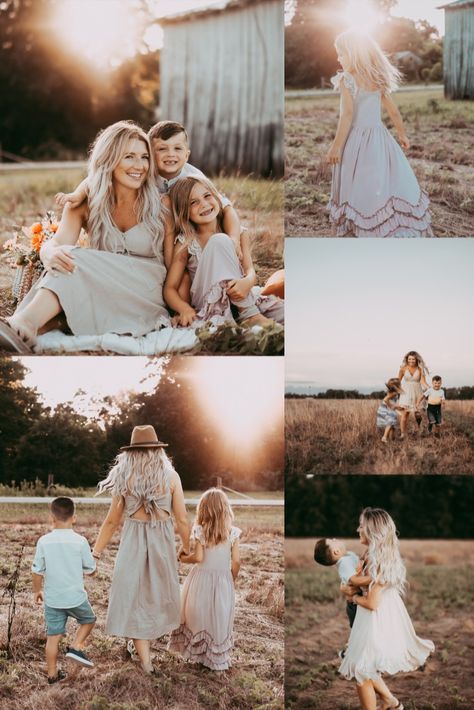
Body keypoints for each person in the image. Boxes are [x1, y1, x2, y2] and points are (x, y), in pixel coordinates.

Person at [0, 121, 169, 353]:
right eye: (129, 156)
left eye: (144, 157)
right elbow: (60, 243)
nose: (139, 165)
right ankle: (27, 331)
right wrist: (48, 251)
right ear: (109, 159)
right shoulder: (86, 201)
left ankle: (23, 322)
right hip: (105, 288)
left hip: (149, 290)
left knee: (73, 259)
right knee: (63, 258)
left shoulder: (161, 200)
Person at [55, 120, 243, 262]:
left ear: (187, 154)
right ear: (151, 154)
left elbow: (225, 207)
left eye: (178, 149)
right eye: (162, 149)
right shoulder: (144, 172)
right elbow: (95, 178)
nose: (171, 154)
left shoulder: (195, 178)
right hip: (165, 231)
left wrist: (233, 237)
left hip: (191, 228)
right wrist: (78, 194)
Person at [92, 425, 190, 675]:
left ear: (131, 452)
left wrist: (96, 552)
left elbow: (112, 521)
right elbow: (182, 519)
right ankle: (144, 657)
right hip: (162, 544)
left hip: (133, 544)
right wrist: (188, 548)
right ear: (158, 450)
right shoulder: (171, 477)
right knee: (156, 596)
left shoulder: (125, 476)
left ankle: (144, 659)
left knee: (133, 597)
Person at [326, 29, 432, 238]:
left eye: (341, 53)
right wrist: (402, 134)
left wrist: (336, 145)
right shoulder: (376, 78)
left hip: (356, 139)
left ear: (353, 53)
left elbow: (347, 115)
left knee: (357, 179)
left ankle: (362, 220)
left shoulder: (347, 79)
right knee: (380, 179)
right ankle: (378, 216)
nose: (338, 58)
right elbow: (393, 111)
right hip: (379, 138)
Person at [339, 508, 434, 710]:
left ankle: (388, 703)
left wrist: (354, 597)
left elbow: (372, 603)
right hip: (373, 617)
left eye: (362, 526)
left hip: (376, 619)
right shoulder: (371, 555)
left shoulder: (379, 561)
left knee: (362, 669)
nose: (358, 529)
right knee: (362, 667)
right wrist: (350, 587)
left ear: (373, 531)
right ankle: (391, 702)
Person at [164, 176, 285, 327]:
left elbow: (250, 271)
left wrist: (246, 283)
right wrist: (185, 309)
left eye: (207, 196)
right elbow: (169, 289)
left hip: (240, 296)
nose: (204, 204)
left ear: (216, 197)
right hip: (209, 304)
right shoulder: (187, 242)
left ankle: (247, 314)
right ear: (184, 212)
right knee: (219, 241)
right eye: (193, 203)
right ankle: (250, 316)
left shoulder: (239, 234)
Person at [168, 488, 241, 670]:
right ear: (225, 509)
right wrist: (230, 578)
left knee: (198, 613)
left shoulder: (200, 531)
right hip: (223, 580)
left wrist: (184, 558)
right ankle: (216, 658)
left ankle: (200, 654)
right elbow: (237, 561)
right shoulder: (232, 533)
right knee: (218, 616)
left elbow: (199, 558)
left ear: (204, 510)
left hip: (201, 579)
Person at [31, 497, 96, 684]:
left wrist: (37, 592)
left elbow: (36, 572)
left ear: (52, 518)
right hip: (76, 598)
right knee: (89, 620)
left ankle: (52, 675)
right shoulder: (80, 541)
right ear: (74, 518)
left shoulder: (43, 541)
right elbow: (91, 569)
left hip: (53, 600)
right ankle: (76, 645)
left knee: (53, 638)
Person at [314, 538, 370, 632]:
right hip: (354, 605)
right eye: (333, 541)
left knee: (362, 628)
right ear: (336, 551)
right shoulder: (343, 563)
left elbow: (360, 564)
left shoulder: (348, 555)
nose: (335, 538)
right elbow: (355, 581)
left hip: (360, 598)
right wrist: (374, 578)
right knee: (359, 629)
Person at [398, 351, 429, 438]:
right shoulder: (403, 369)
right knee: (405, 414)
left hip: (417, 392)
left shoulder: (420, 369)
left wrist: (429, 388)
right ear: (407, 359)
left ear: (416, 360)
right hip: (406, 392)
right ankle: (403, 434)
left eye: (413, 359)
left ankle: (420, 428)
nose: (411, 361)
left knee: (417, 413)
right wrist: (392, 389)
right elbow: (398, 380)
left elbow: (423, 382)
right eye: (410, 359)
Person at [376, 378, 404, 443]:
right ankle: (384, 437)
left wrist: (398, 407)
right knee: (390, 422)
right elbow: (385, 400)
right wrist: (391, 406)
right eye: (400, 384)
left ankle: (391, 440)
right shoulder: (393, 393)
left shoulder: (394, 392)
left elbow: (394, 403)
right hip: (386, 409)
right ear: (397, 386)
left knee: (392, 426)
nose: (401, 385)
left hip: (386, 409)